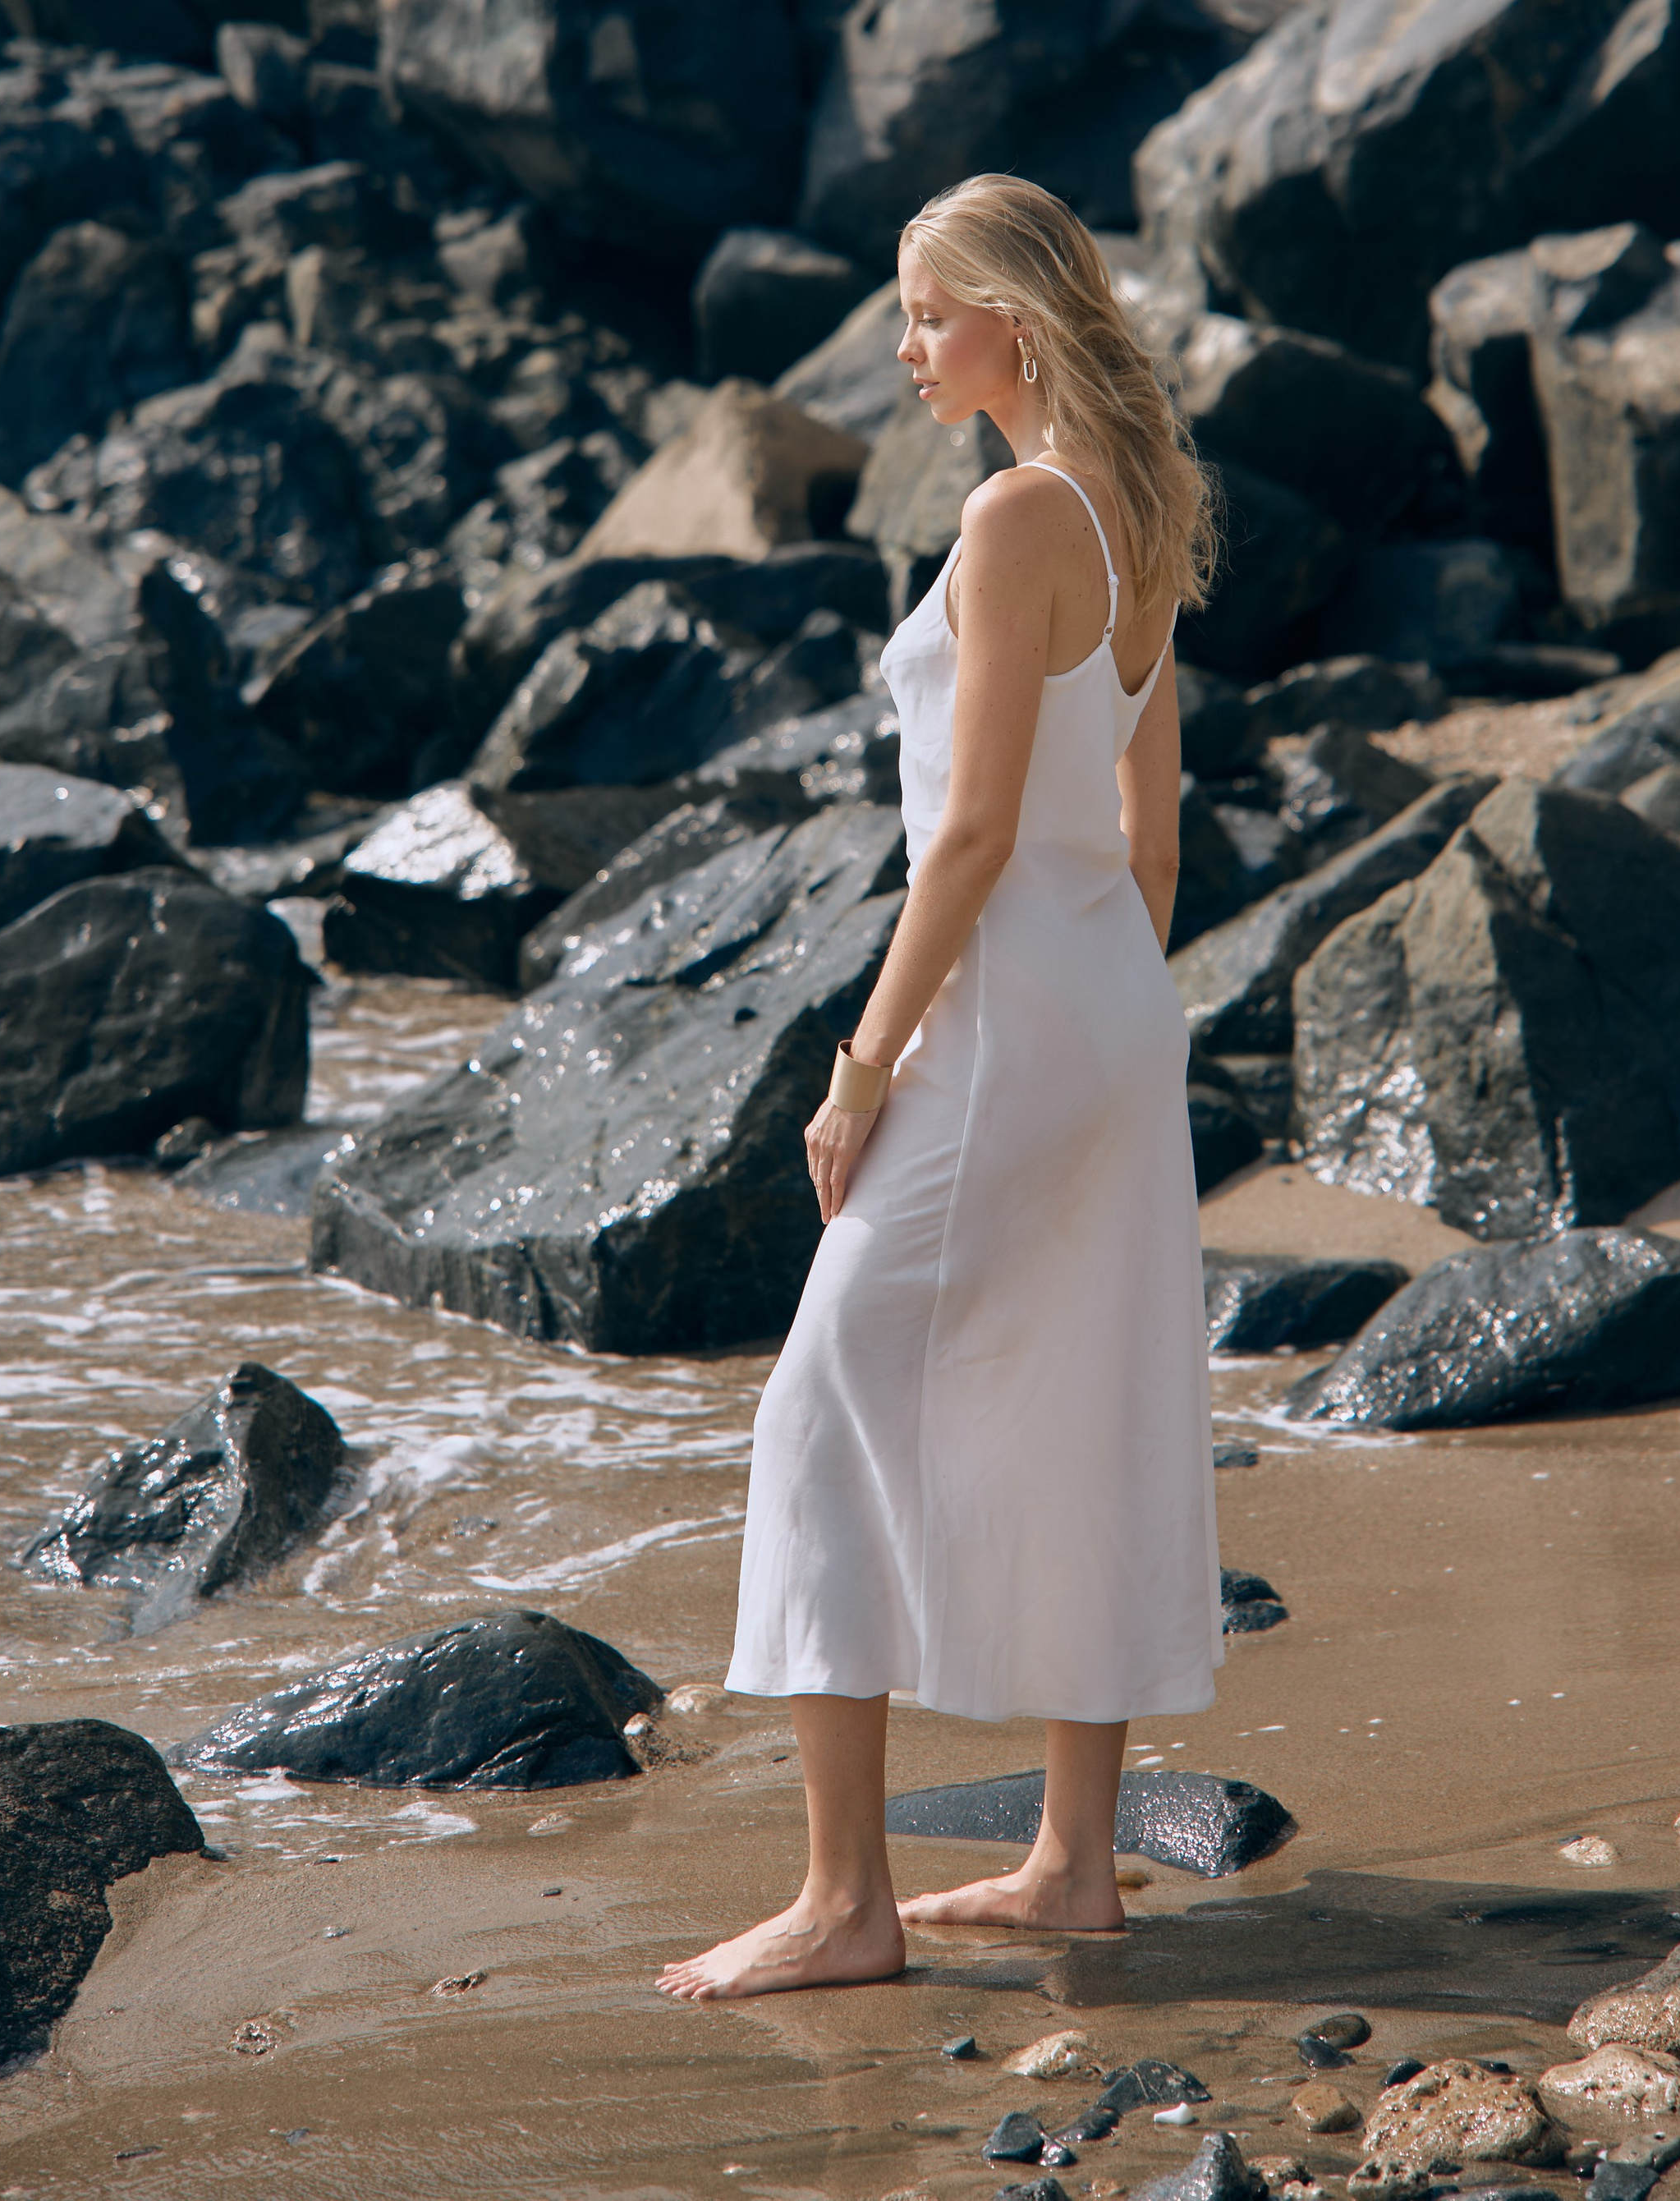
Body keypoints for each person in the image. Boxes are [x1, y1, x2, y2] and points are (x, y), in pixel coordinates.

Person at [658, 172, 1224, 2005]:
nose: (904, 348)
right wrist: (1102, 1017)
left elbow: (970, 832)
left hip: (998, 1027)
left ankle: (845, 1903)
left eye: (925, 312)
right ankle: (1071, 1865)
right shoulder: (1137, 500)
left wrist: (862, 1068)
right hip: (1109, 1010)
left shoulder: (1013, 514)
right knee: (1082, 1401)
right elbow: (1148, 842)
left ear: (1014, 323)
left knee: (819, 1410)